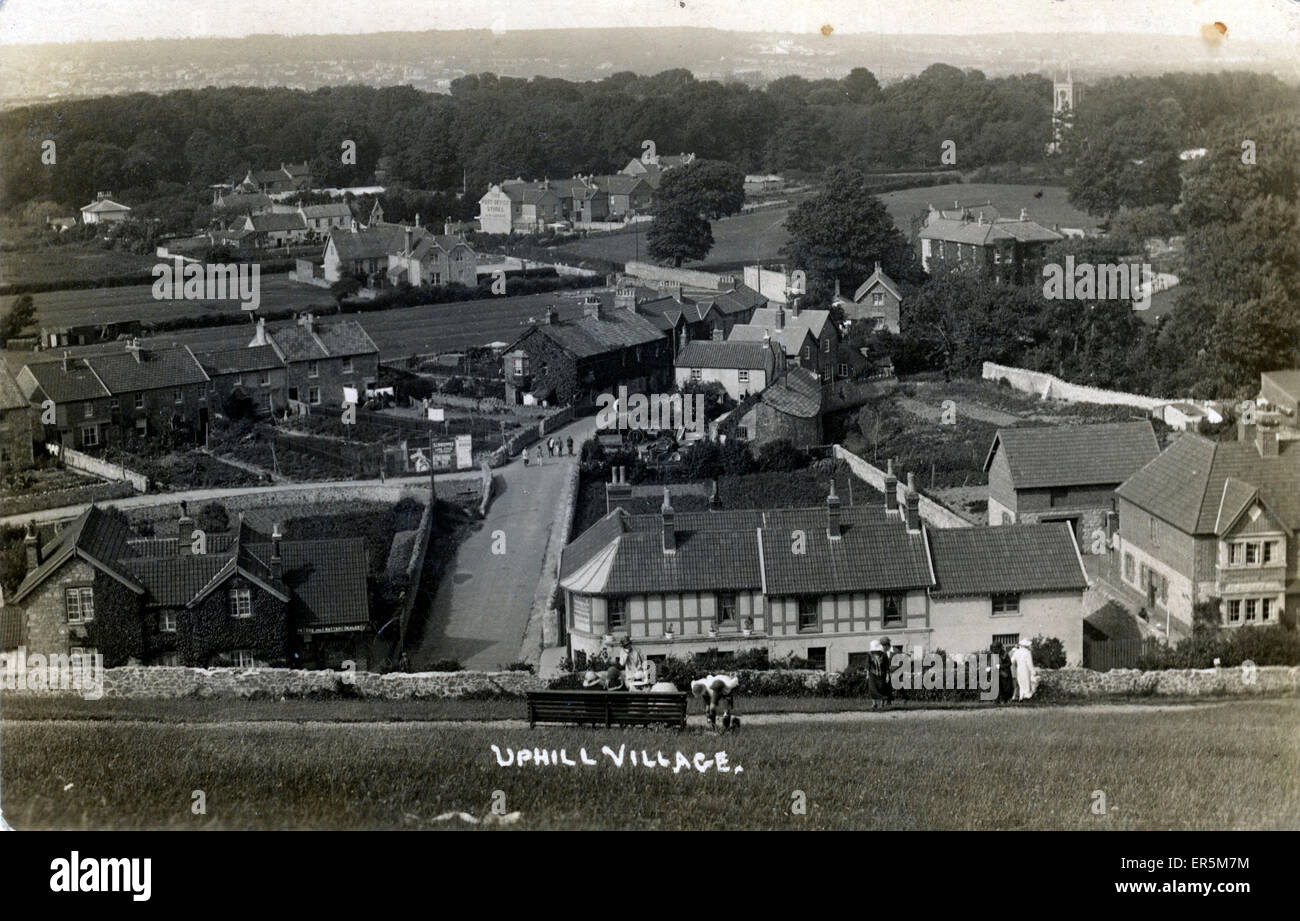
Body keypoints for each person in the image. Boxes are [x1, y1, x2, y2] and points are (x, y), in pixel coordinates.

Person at [867, 640, 891, 710]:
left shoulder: (884, 655)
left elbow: (887, 666)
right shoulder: (869, 654)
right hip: (873, 674)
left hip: (882, 675)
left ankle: (882, 704)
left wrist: (887, 675)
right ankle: (874, 703)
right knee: (872, 688)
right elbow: (868, 665)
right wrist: (867, 674)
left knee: (882, 688)